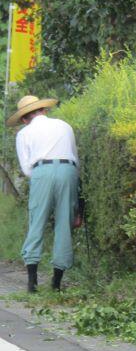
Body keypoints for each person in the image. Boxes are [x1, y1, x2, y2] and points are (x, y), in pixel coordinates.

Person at [7, 95, 79, 293]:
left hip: (41, 171)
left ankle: (32, 283)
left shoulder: (24, 133)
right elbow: (75, 157)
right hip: (68, 170)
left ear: (24, 119)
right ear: (44, 110)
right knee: (64, 223)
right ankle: (56, 283)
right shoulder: (64, 126)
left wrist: (42, 175)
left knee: (37, 221)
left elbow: (26, 169)